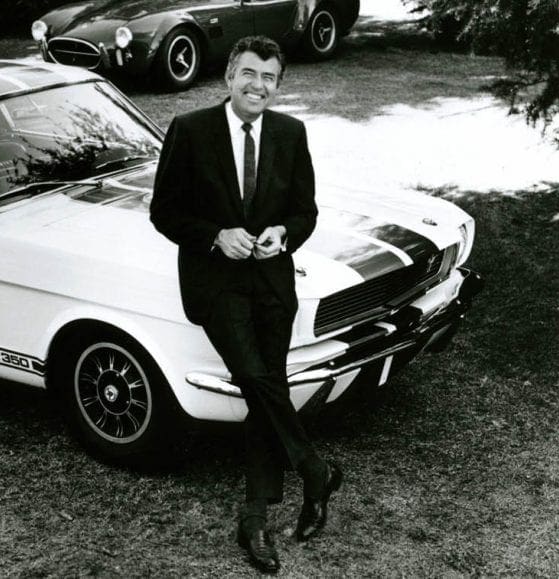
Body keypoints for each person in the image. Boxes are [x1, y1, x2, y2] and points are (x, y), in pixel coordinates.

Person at [150, 35, 342, 574]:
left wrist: (285, 232)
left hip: (273, 282)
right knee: (256, 376)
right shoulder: (190, 130)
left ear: (278, 85)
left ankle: (255, 517)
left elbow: (306, 211)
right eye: (250, 74)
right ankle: (314, 470)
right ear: (229, 77)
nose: (259, 85)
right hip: (216, 284)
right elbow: (164, 212)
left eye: (270, 78)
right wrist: (215, 235)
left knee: (265, 389)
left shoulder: (291, 131)